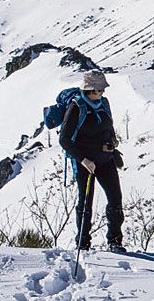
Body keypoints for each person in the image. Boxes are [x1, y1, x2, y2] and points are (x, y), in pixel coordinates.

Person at [59, 70, 125, 253]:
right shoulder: (76, 107)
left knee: (115, 199)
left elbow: (108, 127)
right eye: (98, 90)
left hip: (105, 159)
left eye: (102, 90)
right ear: (88, 90)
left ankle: (115, 242)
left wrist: (113, 145)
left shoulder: (103, 104)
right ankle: (83, 243)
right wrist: (83, 159)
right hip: (85, 163)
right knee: (86, 202)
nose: (101, 93)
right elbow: (64, 140)